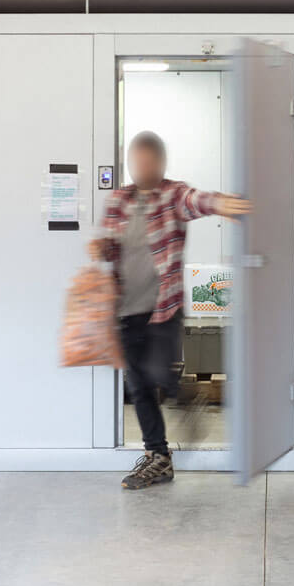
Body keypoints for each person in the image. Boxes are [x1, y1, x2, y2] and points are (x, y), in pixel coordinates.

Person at [96, 130, 251, 491]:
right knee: (137, 386)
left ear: (161, 163)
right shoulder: (119, 199)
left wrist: (226, 204)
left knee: (155, 371)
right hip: (126, 309)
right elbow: (111, 244)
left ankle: (184, 396)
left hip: (164, 307)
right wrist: (102, 248)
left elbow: (200, 200)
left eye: (149, 160)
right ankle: (158, 458)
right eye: (137, 160)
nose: (142, 166)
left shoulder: (172, 194)